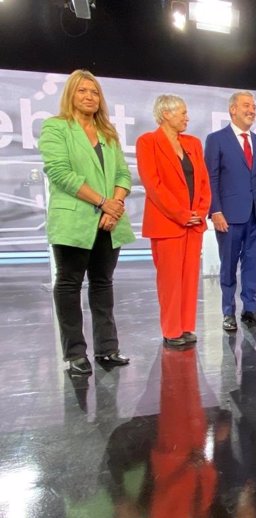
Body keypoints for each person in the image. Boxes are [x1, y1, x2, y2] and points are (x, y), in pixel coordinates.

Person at [38, 69, 134, 376]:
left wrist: (115, 205)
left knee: (103, 284)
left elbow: (123, 175)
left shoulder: (108, 133)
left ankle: (107, 348)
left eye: (94, 92)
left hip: (109, 221)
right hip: (73, 221)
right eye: (82, 91)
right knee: (69, 285)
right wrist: (102, 201)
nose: (89, 97)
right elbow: (60, 173)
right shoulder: (56, 128)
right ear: (70, 94)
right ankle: (75, 353)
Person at [136, 94, 211, 347]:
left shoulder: (193, 143)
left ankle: (186, 326)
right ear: (166, 114)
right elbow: (153, 184)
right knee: (170, 280)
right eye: (182, 113)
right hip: (168, 224)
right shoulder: (148, 142)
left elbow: (203, 182)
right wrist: (181, 214)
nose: (186, 118)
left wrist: (199, 212)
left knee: (189, 278)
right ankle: (171, 330)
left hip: (193, 223)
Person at [205, 91, 256, 331]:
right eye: (247, 105)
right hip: (229, 216)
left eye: (254, 106)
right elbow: (211, 179)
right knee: (228, 265)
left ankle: (250, 309)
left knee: (252, 263)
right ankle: (228, 312)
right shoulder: (216, 139)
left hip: (255, 214)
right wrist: (215, 211)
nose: (252, 110)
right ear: (232, 110)